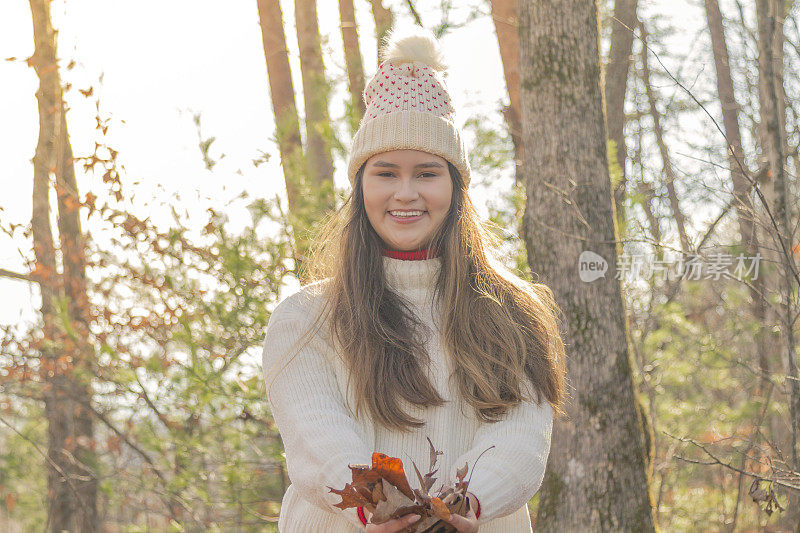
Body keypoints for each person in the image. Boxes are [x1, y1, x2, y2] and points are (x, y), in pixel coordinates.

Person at [262, 26, 566, 533]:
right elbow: (318, 432)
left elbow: (521, 436)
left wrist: (465, 506)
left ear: (455, 186)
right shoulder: (306, 317)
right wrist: (380, 503)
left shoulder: (510, 310)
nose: (406, 193)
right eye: (386, 173)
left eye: (427, 172)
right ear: (360, 186)